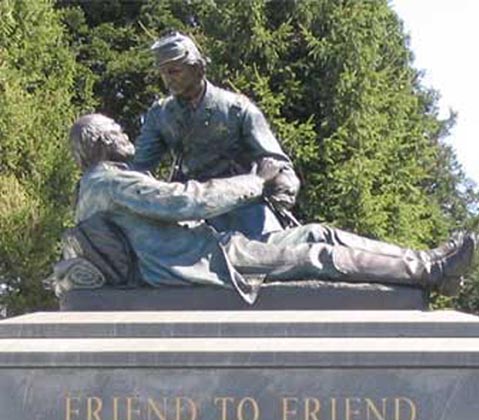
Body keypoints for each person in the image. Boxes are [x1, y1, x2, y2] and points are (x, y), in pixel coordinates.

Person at [58, 113, 475, 303]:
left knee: (319, 232)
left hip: (205, 249)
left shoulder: (101, 183)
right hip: (201, 263)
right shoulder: (109, 181)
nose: (125, 132)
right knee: (318, 253)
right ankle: (432, 271)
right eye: (115, 130)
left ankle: (425, 261)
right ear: (98, 141)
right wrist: (255, 182)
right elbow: (184, 200)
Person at [131, 31, 300, 237]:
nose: (167, 80)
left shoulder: (236, 109)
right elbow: (139, 167)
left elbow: (274, 160)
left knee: (272, 252)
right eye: (163, 73)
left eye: (174, 71)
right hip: (192, 205)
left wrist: (282, 187)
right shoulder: (160, 115)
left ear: (198, 68)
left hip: (243, 203)